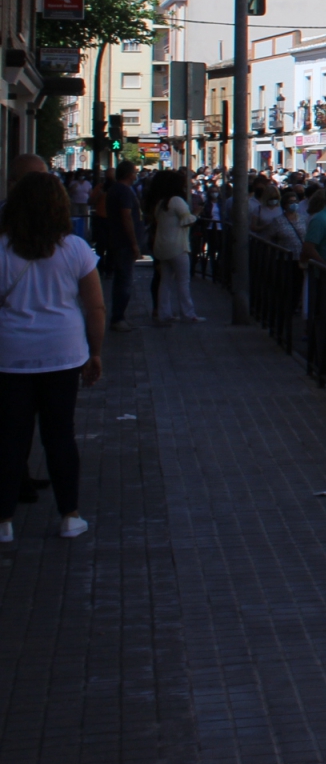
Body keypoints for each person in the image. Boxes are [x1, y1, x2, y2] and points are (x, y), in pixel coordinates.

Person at [0, 173, 105, 543]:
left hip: (10, 355)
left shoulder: (1, 249)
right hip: (63, 353)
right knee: (60, 435)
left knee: (11, 437)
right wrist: (95, 353)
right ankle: (70, 515)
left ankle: (5, 520)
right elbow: (95, 306)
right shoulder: (75, 249)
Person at [148, 171, 200, 325]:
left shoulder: (160, 203)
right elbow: (187, 220)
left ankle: (164, 313)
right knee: (183, 281)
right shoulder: (177, 201)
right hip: (178, 247)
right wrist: (196, 214)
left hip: (162, 246)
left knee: (165, 282)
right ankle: (188, 313)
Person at [101, 161, 141, 333]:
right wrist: (134, 243)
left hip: (117, 240)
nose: (136, 174)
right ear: (129, 174)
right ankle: (118, 318)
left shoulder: (115, 189)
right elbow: (126, 217)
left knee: (121, 279)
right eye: (134, 171)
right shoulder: (124, 191)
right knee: (124, 280)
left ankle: (119, 316)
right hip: (123, 242)